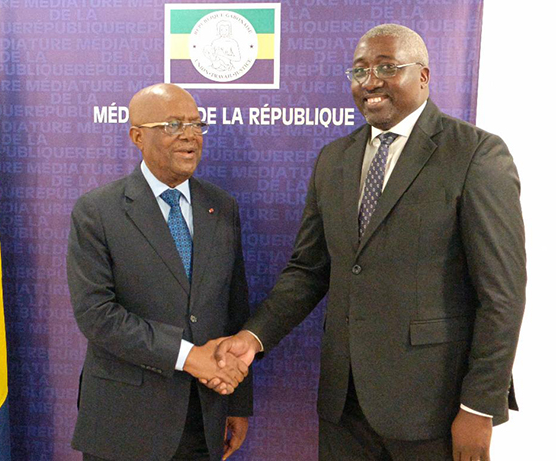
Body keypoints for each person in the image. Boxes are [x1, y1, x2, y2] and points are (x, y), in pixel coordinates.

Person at [214, 24, 525, 460]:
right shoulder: (334, 159)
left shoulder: (475, 154)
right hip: (343, 407)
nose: (371, 81)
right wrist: (253, 337)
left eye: (387, 67)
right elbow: (308, 271)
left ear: (423, 76)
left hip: (433, 409)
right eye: (359, 71)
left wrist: (479, 407)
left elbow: (502, 295)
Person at [67, 83, 252, 461]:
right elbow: (97, 316)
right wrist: (188, 356)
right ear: (137, 136)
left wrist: (236, 403)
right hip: (124, 423)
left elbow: (234, 308)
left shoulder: (222, 206)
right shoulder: (97, 211)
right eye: (172, 125)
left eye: (196, 124)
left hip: (204, 416)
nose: (189, 135)